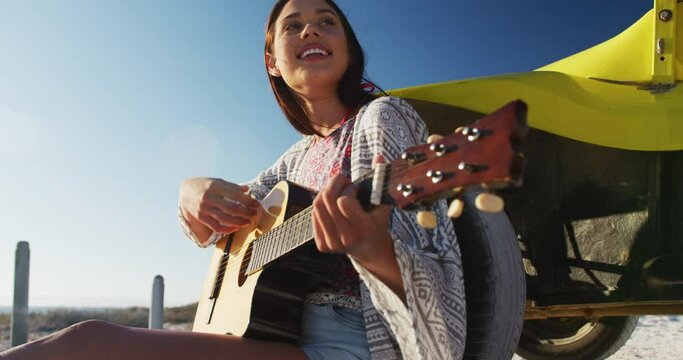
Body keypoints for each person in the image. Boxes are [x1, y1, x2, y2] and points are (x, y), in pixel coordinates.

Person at [0, 0, 465, 359]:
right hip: (280, 337)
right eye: (292, 25)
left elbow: (441, 292)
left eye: (327, 22)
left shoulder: (383, 119)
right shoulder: (293, 162)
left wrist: (372, 249)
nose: (311, 29)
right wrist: (191, 195)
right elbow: (213, 230)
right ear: (272, 62)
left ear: (349, 50)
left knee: (86, 346)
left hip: (353, 341)